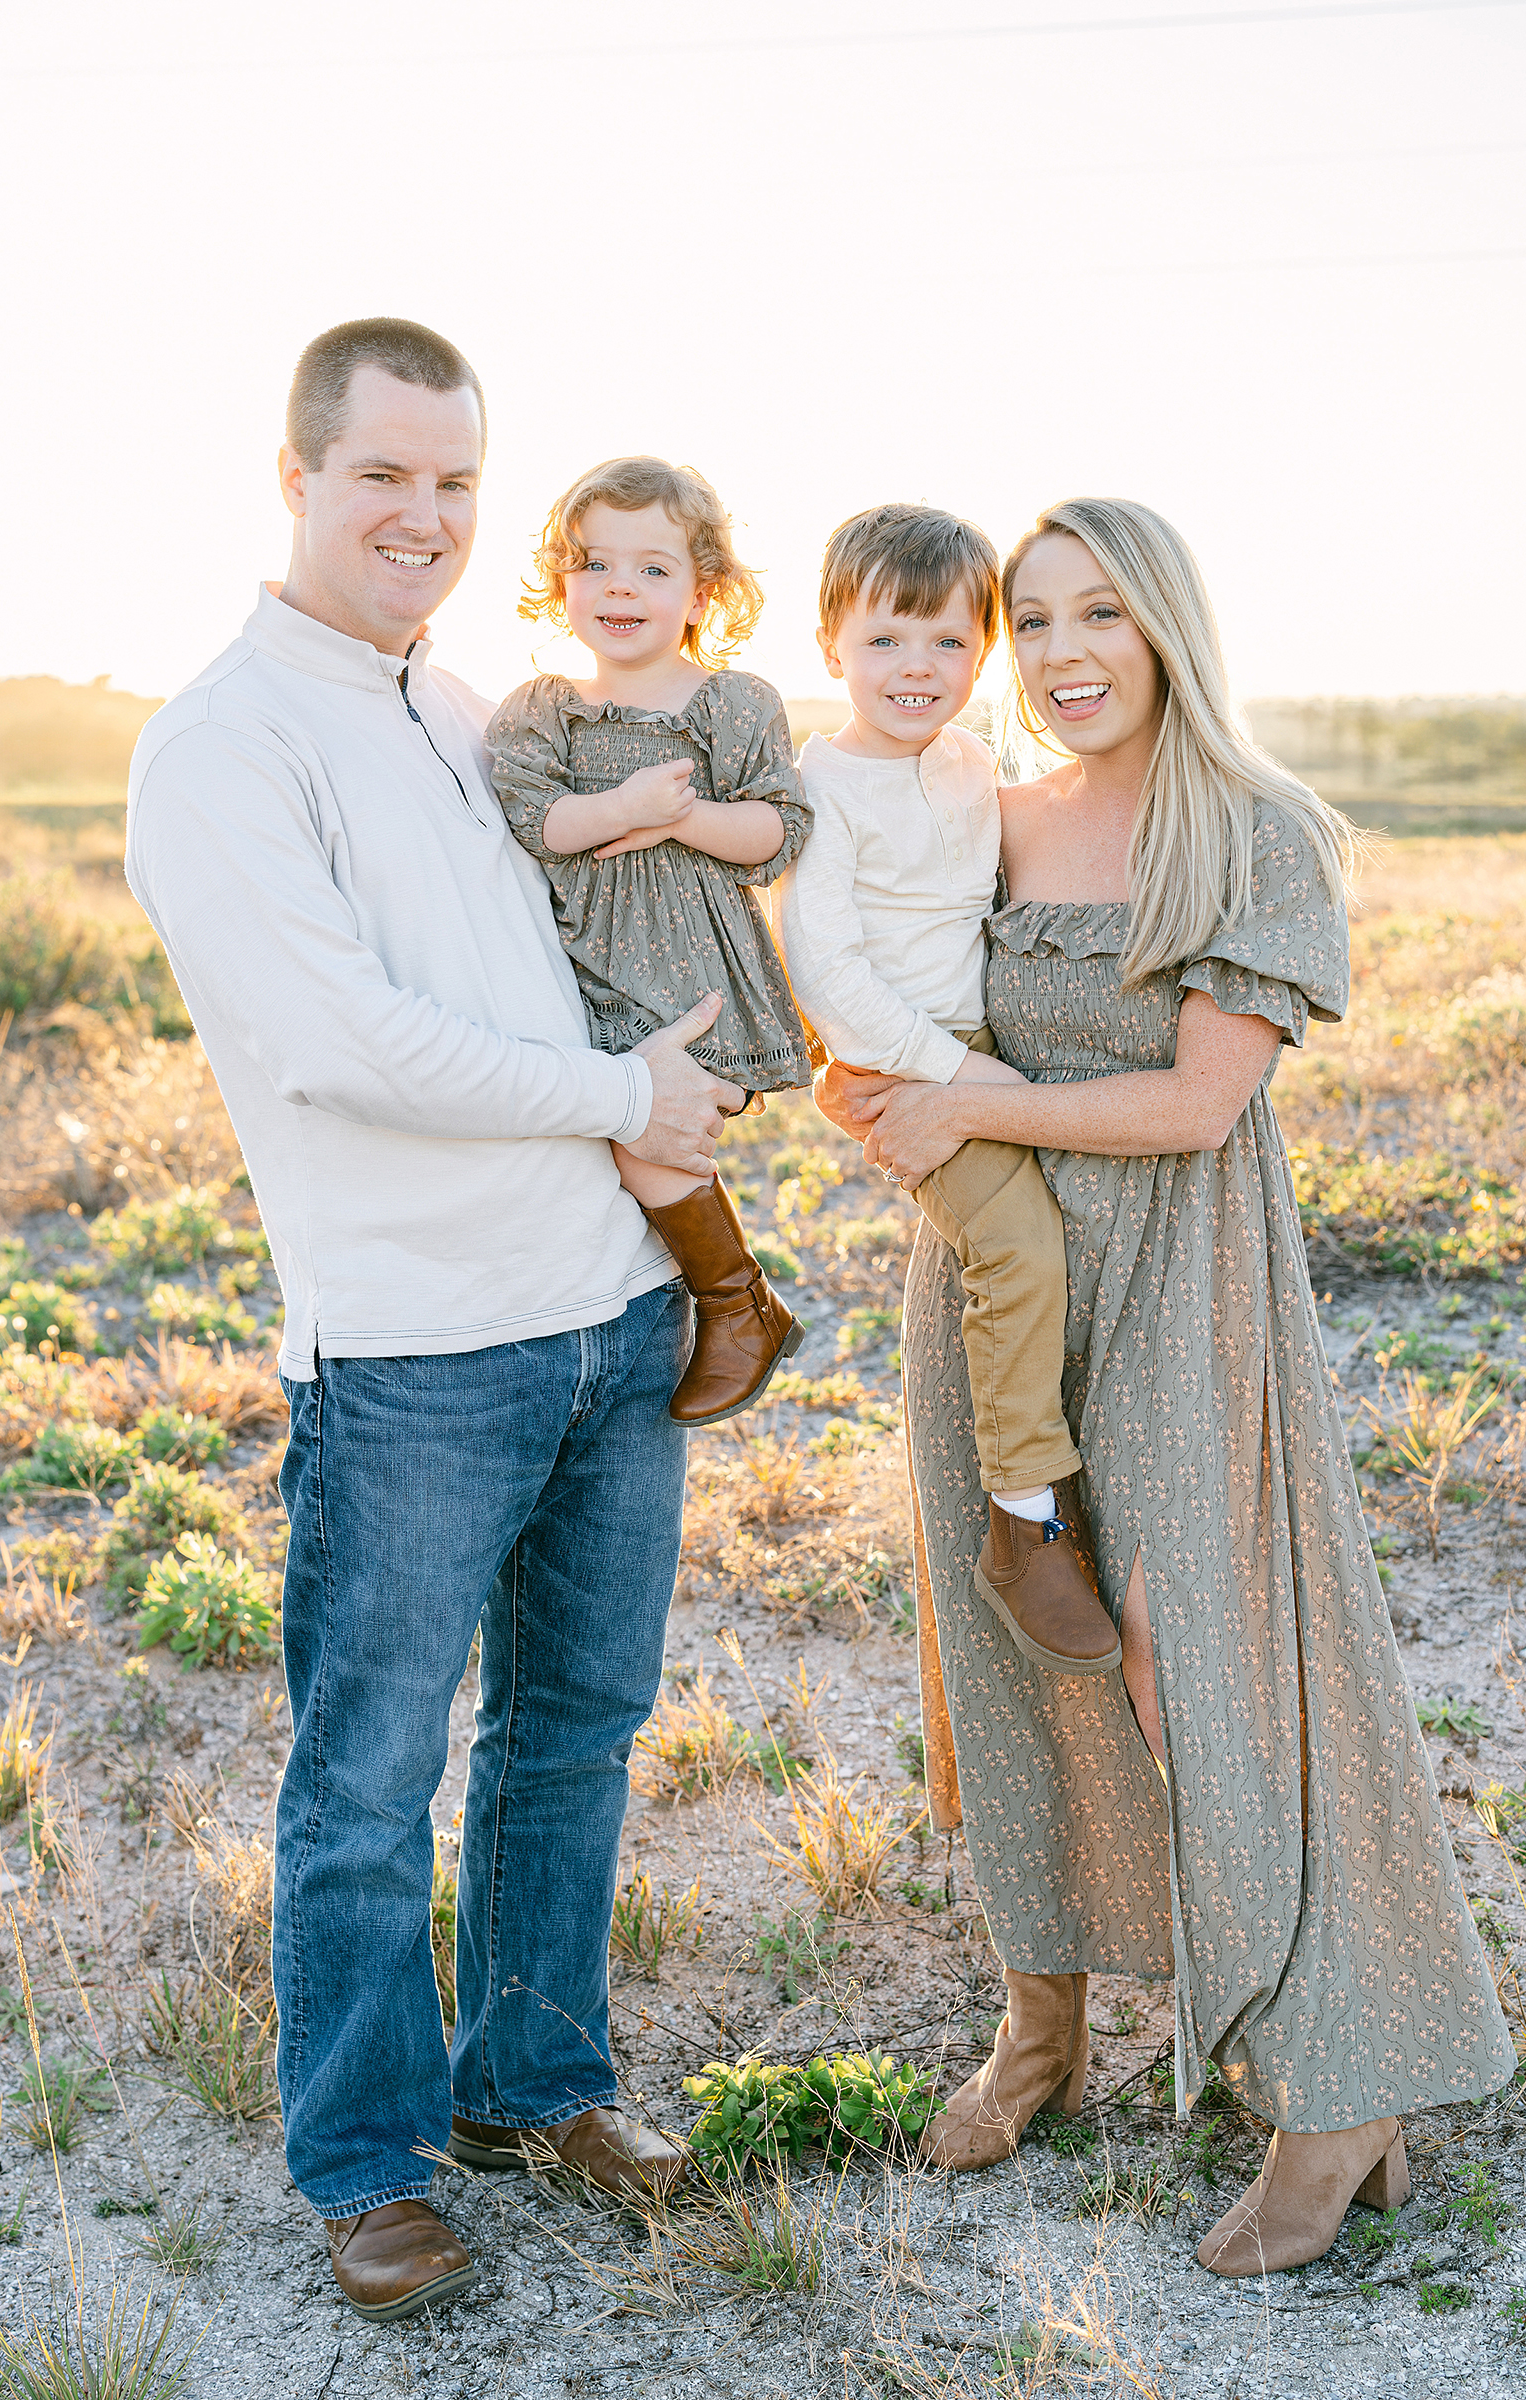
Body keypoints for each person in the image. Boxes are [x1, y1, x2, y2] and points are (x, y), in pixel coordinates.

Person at [815, 497, 1513, 2276]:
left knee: (1201, 1659)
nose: (1058, 655)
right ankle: (1041, 2029)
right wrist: (891, 1104)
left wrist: (971, 1107)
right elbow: (893, 1016)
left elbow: (1204, 1103)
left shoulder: (1258, 830)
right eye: (1028, 621)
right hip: (993, 1295)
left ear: (1167, 629)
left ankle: (1338, 2083)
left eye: (1096, 616)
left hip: (1187, 1294)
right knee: (1007, 1654)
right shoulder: (987, 815)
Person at [126, 320, 739, 2323]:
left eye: (458, 483)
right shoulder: (225, 739)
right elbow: (332, 1044)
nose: (425, 516)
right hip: (412, 1353)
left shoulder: (448, 699)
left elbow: (548, 961)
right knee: (370, 1778)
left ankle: (536, 2083)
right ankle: (369, 2160)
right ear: (294, 475)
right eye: (386, 475)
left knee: (571, 1741)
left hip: (602, 1317)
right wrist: (618, 1096)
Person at [773, 502, 1119, 1674]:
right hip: (902, 1053)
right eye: (884, 641)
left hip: (977, 1042)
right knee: (1015, 1246)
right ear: (831, 646)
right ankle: (1024, 1520)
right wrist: (954, 1072)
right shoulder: (817, 786)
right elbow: (828, 970)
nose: (915, 670)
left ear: (983, 653)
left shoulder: (973, 761)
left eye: (945, 644)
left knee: (1069, 1234)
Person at [487, 456, 811, 1426]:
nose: (620, 586)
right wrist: (619, 806)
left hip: (691, 976)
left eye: (653, 569)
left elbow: (773, 835)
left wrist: (676, 820)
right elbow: (537, 824)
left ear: (703, 590)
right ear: (562, 584)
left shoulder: (731, 704)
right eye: (594, 564)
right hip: (590, 970)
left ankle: (736, 1303)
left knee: (643, 1140)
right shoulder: (546, 709)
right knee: (603, 1137)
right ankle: (716, 1302)